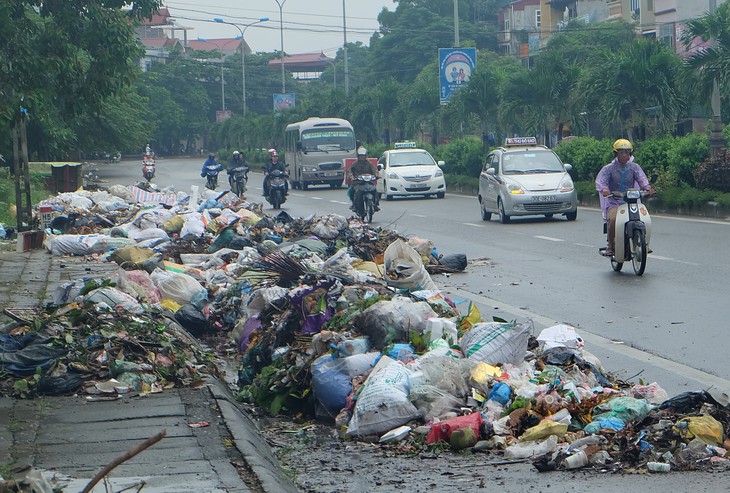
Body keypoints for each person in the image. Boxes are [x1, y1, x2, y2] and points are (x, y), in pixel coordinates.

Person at [595, 138, 653, 256]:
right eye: (621, 152)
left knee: (644, 219)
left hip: (631, 202)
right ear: (616, 154)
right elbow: (601, 182)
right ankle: (610, 247)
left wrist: (647, 188)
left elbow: (642, 179)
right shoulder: (608, 169)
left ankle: (645, 244)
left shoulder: (634, 167)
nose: (624, 155)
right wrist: (605, 189)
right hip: (614, 202)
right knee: (614, 220)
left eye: (627, 152)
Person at [347, 146, 380, 211]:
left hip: (368, 181)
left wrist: (377, 175)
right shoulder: (354, 164)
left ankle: (376, 204)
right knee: (355, 192)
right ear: (358, 156)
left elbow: (374, 170)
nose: (362, 157)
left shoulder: (369, 163)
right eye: (360, 156)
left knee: (375, 191)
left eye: (363, 155)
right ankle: (354, 205)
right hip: (358, 182)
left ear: (366, 156)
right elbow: (349, 171)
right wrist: (351, 177)